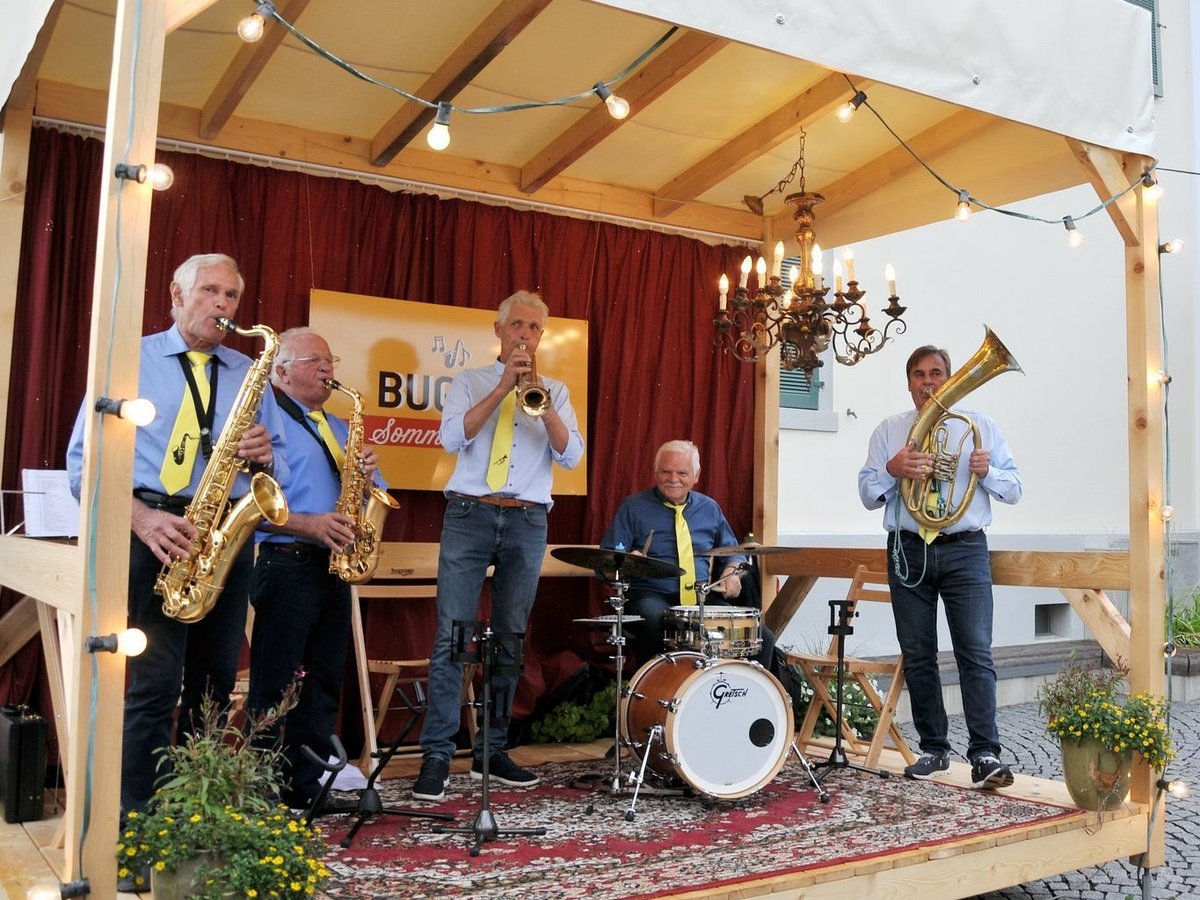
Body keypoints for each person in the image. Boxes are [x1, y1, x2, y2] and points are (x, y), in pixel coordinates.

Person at [66, 253, 288, 819]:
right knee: (153, 684)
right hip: (154, 533)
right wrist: (143, 519)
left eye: (232, 295)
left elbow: (279, 471)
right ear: (176, 294)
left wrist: (264, 458)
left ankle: (194, 809)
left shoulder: (247, 370)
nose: (223, 304)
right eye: (210, 290)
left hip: (225, 536)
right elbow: (82, 468)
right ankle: (133, 817)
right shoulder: (128, 361)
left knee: (214, 685)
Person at [412, 290, 584, 802]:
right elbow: (451, 439)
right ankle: (437, 755)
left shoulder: (555, 390)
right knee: (453, 636)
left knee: (510, 637)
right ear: (499, 330)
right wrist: (504, 386)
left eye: (534, 327)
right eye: (517, 325)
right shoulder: (469, 382)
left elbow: (571, 455)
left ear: (541, 335)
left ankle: (492, 749)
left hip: (527, 520)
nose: (524, 335)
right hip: (470, 514)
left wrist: (540, 400)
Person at [857, 343, 1022, 789]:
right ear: (908, 382)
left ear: (950, 378)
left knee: (975, 651)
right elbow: (868, 494)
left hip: (965, 548)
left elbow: (1014, 489)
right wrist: (892, 469)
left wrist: (988, 472)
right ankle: (934, 748)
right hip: (908, 548)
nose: (928, 382)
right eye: (919, 374)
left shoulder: (980, 427)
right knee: (918, 653)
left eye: (936, 373)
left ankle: (985, 753)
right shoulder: (889, 431)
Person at [246, 326, 384, 811]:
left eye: (331, 361)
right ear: (281, 371)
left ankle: (306, 785)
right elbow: (251, 502)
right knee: (275, 683)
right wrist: (310, 524)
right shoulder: (263, 420)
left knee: (323, 682)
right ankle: (260, 790)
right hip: (287, 562)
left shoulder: (341, 427)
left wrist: (368, 478)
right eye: (315, 361)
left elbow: (372, 497)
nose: (328, 369)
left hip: (334, 568)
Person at [601, 440, 776, 671]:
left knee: (762, 636)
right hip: (652, 595)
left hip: (700, 597)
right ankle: (654, 687)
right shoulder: (633, 507)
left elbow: (733, 553)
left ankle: (744, 690)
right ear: (655, 473)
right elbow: (607, 562)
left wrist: (732, 573)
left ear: (696, 476)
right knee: (655, 621)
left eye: (682, 473)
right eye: (666, 471)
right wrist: (626, 562)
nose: (673, 478)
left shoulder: (709, 508)